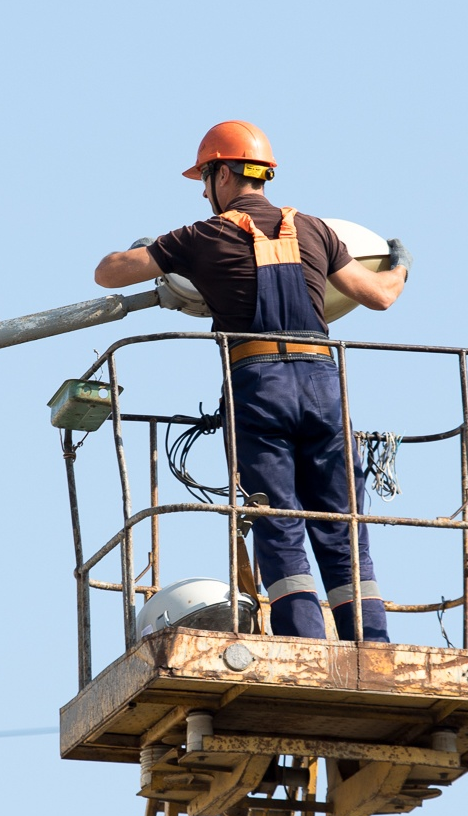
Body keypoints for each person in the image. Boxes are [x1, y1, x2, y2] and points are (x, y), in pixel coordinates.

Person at [92, 120, 411, 642]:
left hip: (259, 387)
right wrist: (400, 264)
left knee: (278, 520)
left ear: (221, 173)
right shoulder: (315, 230)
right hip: (324, 386)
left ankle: (304, 641)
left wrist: (148, 249)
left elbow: (108, 273)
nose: (202, 191)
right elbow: (379, 295)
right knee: (343, 525)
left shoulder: (202, 236)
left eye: (204, 178)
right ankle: (371, 642)